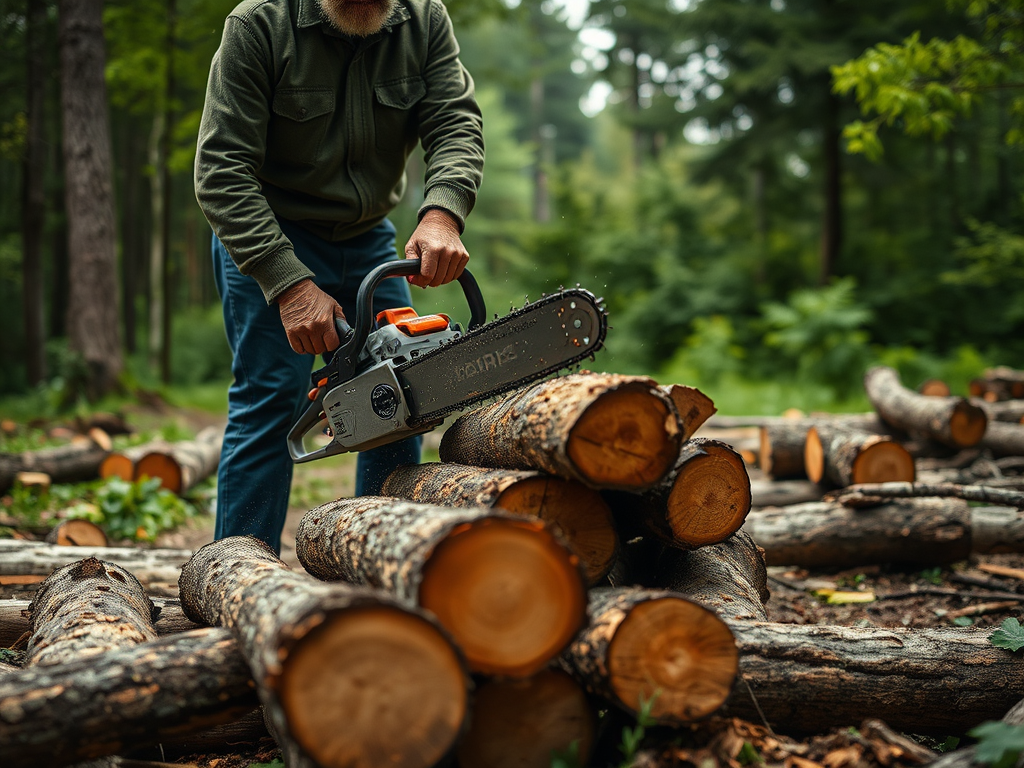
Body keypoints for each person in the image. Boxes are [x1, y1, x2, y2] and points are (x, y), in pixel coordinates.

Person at [194, 0, 485, 553]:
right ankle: (236, 570)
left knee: (401, 390)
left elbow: (454, 122)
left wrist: (442, 211)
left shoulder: (424, 21)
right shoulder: (258, 26)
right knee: (272, 399)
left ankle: (379, 559)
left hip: (368, 234)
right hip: (271, 234)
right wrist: (288, 283)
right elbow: (221, 170)